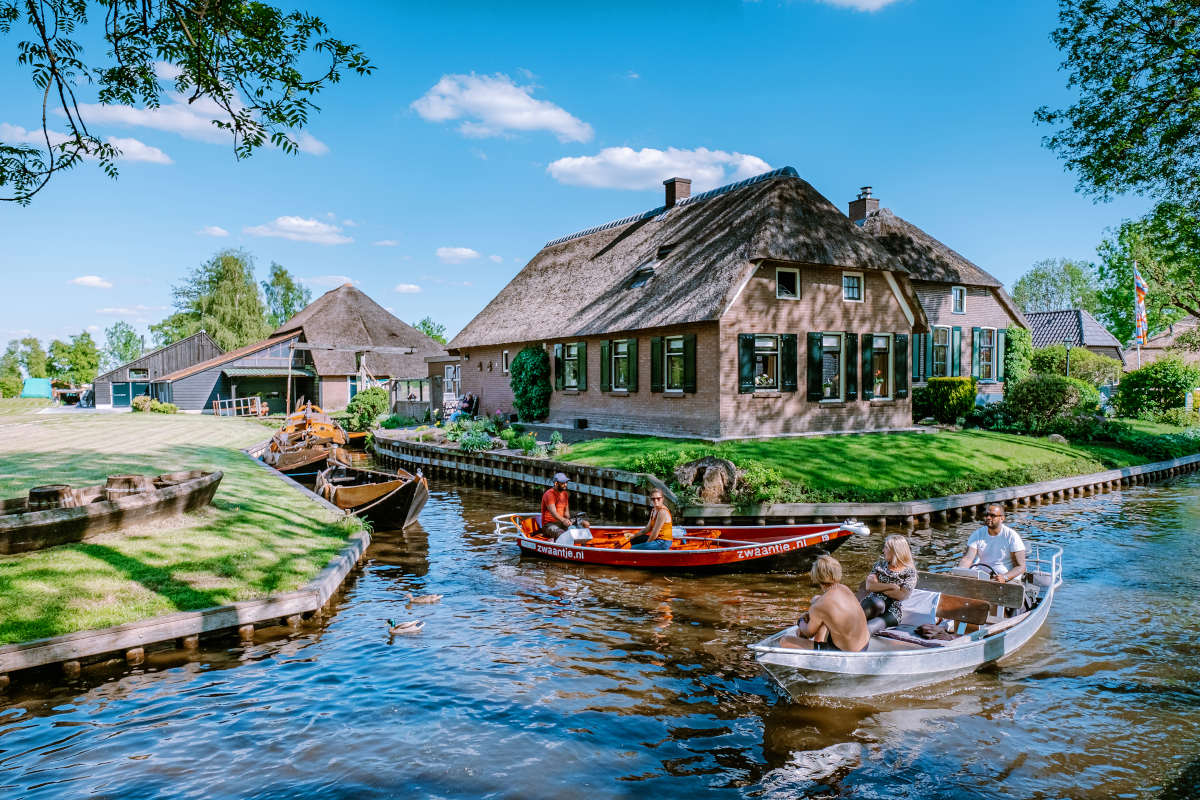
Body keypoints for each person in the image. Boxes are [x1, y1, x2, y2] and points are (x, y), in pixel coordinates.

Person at [780, 555, 870, 652]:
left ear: (816, 576)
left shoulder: (821, 605)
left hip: (847, 653)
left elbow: (808, 633)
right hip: (865, 645)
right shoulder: (844, 588)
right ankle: (818, 642)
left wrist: (801, 620)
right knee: (816, 599)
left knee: (785, 641)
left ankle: (813, 653)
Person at [859, 534, 917, 631]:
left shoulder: (910, 572)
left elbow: (901, 595)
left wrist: (879, 587)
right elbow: (869, 586)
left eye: (886, 547)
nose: (883, 551)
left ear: (895, 551)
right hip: (872, 604)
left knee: (869, 628)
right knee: (876, 603)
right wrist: (892, 586)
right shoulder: (880, 565)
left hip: (893, 611)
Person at [958, 503, 1026, 583]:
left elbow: (1021, 567)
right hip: (983, 576)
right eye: (987, 515)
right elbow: (967, 559)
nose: (988, 518)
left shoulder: (1011, 536)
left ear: (1002, 518)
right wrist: (959, 572)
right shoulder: (977, 534)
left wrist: (1005, 577)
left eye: (992, 515)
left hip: (1007, 578)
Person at [540, 472, 589, 540]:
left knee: (585, 524)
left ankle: (583, 546)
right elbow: (554, 513)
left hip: (562, 522)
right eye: (563, 483)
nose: (565, 485)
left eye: (566, 482)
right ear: (556, 483)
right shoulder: (549, 494)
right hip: (549, 525)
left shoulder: (565, 494)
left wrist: (572, 521)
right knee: (561, 533)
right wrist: (564, 520)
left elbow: (566, 514)